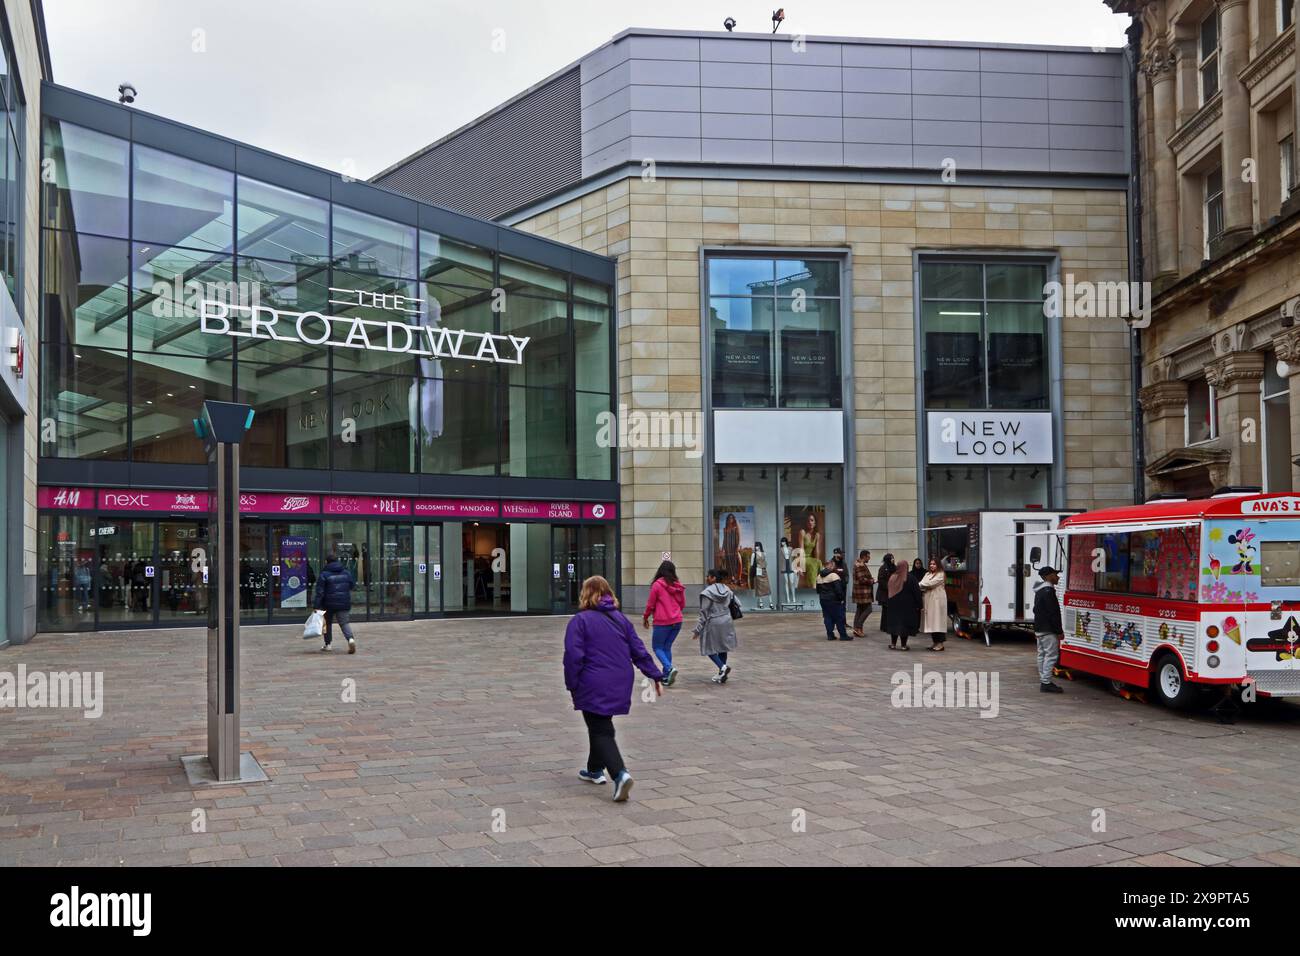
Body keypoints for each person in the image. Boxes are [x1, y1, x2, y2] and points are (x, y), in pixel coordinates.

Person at [564, 576, 663, 801]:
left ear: (585, 593)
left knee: (600, 728)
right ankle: (594, 769)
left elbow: (573, 656)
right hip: (620, 679)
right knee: (599, 722)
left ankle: (620, 774)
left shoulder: (580, 621)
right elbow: (638, 650)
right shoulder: (621, 619)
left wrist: (572, 684)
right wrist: (655, 674)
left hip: (593, 680)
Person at [643, 560, 686, 686]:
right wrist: (674, 611)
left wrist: (646, 617)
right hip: (677, 621)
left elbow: (650, 604)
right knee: (666, 647)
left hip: (662, 622)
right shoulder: (678, 585)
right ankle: (666, 676)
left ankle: (669, 668)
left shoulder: (657, 585)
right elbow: (682, 604)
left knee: (657, 647)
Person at [693, 568, 738, 683]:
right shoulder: (727, 589)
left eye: (708, 576)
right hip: (727, 620)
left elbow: (703, 613)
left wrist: (698, 630)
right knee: (723, 647)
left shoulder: (707, 592)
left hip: (713, 622)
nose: (706, 578)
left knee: (708, 647)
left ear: (713, 578)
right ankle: (721, 673)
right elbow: (738, 603)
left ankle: (722, 667)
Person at [313, 553, 358, 653]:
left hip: (328, 603)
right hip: (343, 602)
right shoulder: (346, 572)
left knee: (327, 624)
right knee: (344, 623)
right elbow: (352, 585)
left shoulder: (324, 574)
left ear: (326, 562)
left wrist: (316, 606)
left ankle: (328, 644)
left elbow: (320, 592)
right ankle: (350, 639)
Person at [1032, 566, 1065, 694]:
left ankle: (1043, 679)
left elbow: (1035, 610)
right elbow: (1054, 613)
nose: (1057, 577)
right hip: (1048, 630)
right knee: (1051, 656)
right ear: (1049, 576)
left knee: (1041, 655)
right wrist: (1059, 631)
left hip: (1039, 628)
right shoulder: (1048, 591)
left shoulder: (1039, 591)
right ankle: (1046, 682)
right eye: (1055, 575)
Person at [885, 559, 922, 650]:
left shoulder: (892, 577)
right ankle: (903, 645)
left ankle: (893, 644)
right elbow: (917, 592)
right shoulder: (911, 578)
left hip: (893, 605)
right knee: (904, 625)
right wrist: (919, 604)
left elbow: (888, 591)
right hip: (907, 606)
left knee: (894, 624)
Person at [919, 557, 948, 651]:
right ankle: (935, 642)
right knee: (932, 622)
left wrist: (923, 585)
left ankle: (940, 644)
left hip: (937, 602)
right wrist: (923, 585)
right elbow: (922, 584)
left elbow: (930, 584)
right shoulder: (927, 574)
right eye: (931, 564)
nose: (932, 566)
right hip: (928, 601)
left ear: (938, 565)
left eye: (934, 564)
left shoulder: (941, 574)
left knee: (938, 622)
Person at [816, 561, 850, 640]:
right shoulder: (833, 575)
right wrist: (841, 599)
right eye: (833, 566)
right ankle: (843, 635)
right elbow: (838, 590)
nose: (834, 567)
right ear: (831, 566)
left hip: (823, 599)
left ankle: (830, 635)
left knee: (827, 617)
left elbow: (818, 591)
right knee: (839, 617)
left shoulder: (819, 576)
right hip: (834, 600)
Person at [852, 549, 874, 638]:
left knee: (860, 609)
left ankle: (856, 629)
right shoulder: (860, 565)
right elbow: (861, 579)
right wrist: (871, 581)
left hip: (860, 591)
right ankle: (858, 627)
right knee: (869, 609)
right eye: (868, 556)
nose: (869, 558)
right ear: (864, 556)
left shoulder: (860, 564)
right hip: (862, 592)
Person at [797, 511, 822, 588]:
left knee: (819, 563)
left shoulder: (817, 535)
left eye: (812, 520)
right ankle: (813, 586)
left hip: (810, 558)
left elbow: (817, 551)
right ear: (806, 523)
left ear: (815, 523)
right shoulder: (802, 532)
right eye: (808, 521)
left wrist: (817, 561)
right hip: (802, 557)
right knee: (812, 564)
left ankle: (819, 585)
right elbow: (801, 549)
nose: (810, 522)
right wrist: (800, 566)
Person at [875, 553, 896, 634]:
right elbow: (881, 580)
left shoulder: (894, 567)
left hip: (893, 592)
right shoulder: (883, 568)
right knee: (886, 610)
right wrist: (889, 587)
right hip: (884, 593)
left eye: (893, 558)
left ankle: (890, 625)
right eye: (891, 558)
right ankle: (885, 626)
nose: (893, 559)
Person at [750, 542, 771, 609]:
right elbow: (751, 564)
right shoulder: (753, 554)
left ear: (760, 546)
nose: (756, 547)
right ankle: (761, 602)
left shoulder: (764, 553)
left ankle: (771, 602)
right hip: (758, 571)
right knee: (759, 587)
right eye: (755, 546)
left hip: (764, 571)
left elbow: (765, 562)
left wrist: (764, 566)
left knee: (767, 586)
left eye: (757, 546)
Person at [722, 513, 742, 585]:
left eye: (732, 518)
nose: (730, 519)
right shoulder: (725, 529)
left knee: (738, 561)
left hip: (734, 547)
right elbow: (724, 539)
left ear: (734, 519)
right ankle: (732, 578)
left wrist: (737, 547)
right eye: (729, 518)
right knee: (729, 563)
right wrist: (723, 549)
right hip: (727, 547)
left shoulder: (736, 527)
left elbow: (739, 537)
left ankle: (739, 578)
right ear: (727, 519)